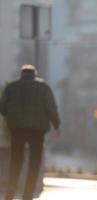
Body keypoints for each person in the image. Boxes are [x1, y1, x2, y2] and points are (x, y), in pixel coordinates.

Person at [0, 64, 61, 200]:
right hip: (37, 130)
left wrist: (13, 116)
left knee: (16, 159)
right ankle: (28, 192)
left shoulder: (11, 87)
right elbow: (51, 108)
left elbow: (3, 108)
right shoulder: (43, 87)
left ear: (22, 73)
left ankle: (11, 189)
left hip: (17, 129)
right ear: (35, 74)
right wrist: (57, 125)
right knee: (35, 160)